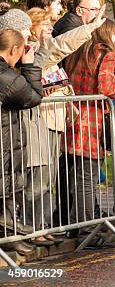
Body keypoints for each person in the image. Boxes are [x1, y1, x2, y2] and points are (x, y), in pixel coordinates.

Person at [23, 7, 105, 243]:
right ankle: (33, 229)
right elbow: (58, 46)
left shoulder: (41, 54)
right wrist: (89, 28)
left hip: (54, 121)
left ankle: (42, 227)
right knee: (39, 180)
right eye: (46, 23)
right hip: (39, 121)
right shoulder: (34, 52)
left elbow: (58, 79)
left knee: (48, 180)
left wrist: (70, 103)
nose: (51, 27)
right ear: (32, 27)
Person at [60, 20, 115, 233]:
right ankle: (85, 229)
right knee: (87, 178)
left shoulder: (78, 51)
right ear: (106, 34)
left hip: (73, 117)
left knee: (76, 176)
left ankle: (76, 224)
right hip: (92, 122)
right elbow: (106, 87)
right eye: (114, 35)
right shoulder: (106, 54)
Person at [0, 28, 43, 255]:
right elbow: (34, 96)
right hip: (4, 140)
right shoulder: (6, 76)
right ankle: (8, 231)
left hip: (7, 137)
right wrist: (28, 65)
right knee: (4, 183)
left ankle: (10, 230)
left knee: (6, 185)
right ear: (15, 49)